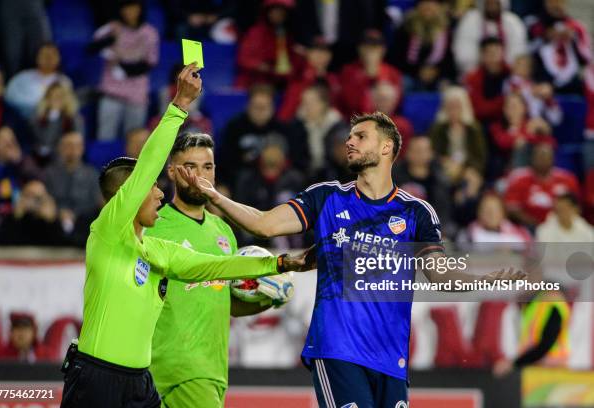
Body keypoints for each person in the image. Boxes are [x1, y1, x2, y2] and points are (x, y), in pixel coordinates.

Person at [183, 111, 522, 407]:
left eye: (361, 136)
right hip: (337, 350)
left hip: (390, 358)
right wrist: (213, 195)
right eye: (349, 137)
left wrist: (486, 281)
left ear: (387, 147)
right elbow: (264, 223)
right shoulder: (327, 197)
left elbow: (438, 274)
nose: (350, 142)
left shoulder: (416, 212)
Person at [59, 63, 312, 408]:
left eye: (207, 166)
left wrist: (282, 263)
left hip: (140, 382)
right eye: (152, 189)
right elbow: (149, 164)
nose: (160, 194)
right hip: (98, 376)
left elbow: (210, 267)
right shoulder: (106, 231)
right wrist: (179, 105)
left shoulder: (155, 249)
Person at [148, 132, 294, 408]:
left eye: (208, 167)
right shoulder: (155, 225)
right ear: (171, 171)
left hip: (212, 368)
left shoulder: (224, 231)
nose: (200, 175)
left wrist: (268, 298)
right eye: (190, 166)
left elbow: (224, 301)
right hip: (181, 366)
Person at [91, 0, 160, 141]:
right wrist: (111, 38)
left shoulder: (149, 33)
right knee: (105, 137)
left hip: (136, 96)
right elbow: (92, 48)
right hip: (112, 94)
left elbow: (148, 64)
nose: (130, 12)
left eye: (134, 8)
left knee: (134, 140)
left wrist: (123, 68)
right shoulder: (112, 28)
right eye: (126, 8)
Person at [218, 84, 309, 188]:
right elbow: (224, 162)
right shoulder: (235, 127)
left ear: (273, 107)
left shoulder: (284, 129)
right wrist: (223, 185)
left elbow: (299, 162)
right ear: (248, 106)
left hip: (279, 185)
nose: (260, 112)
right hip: (244, 184)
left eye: (264, 107)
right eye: (256, 107)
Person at [504, 141, 581, 229]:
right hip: (528, 226)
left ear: (553, 159)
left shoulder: (568, 179)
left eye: (546, 157)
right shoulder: (519, 178)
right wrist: (534, 223)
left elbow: (576, 207)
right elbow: (512, 207)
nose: (543, 160)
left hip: (560, 225)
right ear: (532, 158)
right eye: (540, 157)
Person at [43, 131, 102, 236]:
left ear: (82, 148)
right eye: (68, 145)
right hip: (56, 219)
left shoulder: (92, 174)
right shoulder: (50, 173)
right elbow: (47, 198)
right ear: (60, 148)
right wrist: (60, 211)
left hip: (84, 220)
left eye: (77, 146)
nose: (73, 150)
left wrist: (74, 214)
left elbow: (95, 201)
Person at [235, 0, 303, 89]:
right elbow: (243, 59)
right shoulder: (256, 32)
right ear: (267, 13)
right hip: (253, 83)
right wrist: (261, 66)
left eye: (282, 13)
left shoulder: (287, 35)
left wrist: (299, 57)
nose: (278, 15)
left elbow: (290, 67)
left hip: (278, 83)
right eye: (275, 12)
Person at [391, 0, 455, 90]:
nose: (428, 6)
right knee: (404, 83)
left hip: (437, 75)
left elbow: (448, 60)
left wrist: (436, 72)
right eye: (424, 3)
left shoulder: (445, 30)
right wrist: (418, 72)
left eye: (432, 3)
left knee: (447, 86)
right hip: (410, 74)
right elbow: (397, 58)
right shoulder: (406, 27)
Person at [338, 30, 403, 117]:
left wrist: (376, 76)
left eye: (375, 47)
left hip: (385, 119)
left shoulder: (392, 72)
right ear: (359, 49)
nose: (371, 51)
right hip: (356, 121)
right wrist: (369, 77)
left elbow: (396, 104)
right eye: (367, 47)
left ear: (383, 50)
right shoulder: (348, 71)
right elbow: (351, 105)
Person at [452, 0, 527, 76]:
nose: (492, 7)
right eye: (489, 3)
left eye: (495, 3)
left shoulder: (513, 22)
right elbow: (463, 54)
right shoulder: (470, 20)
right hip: (475, 74)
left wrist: (500, 68)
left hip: (507, 74)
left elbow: (518, 53)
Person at [429, 86, 487, 179]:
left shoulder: (474, 129)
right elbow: (433, 152)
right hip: (445, 166)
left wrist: (464, 168)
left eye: (456, 107)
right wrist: (444, 161)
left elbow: (480, 157)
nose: (453, 111)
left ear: (463, 107)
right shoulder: (438, 128)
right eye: (450, 107)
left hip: (468, 167)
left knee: (472, 178)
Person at [4, 43, 72, 119]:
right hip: (24, 121)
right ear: (37, 57)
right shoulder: (21, 78)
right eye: (45, 54)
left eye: (52, 55)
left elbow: (68, 108)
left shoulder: (64, 82)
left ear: (59, 58)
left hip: (55, 125)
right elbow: (9, 98)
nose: (48, 58)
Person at [0, 179, 67, 246]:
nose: (33, 202)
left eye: (38, 198)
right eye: (28, 196)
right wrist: (17, 216)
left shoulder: (52, 220)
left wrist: (51, 221)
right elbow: (3, 243)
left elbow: (62, 245)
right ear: (22, 197)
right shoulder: (12, 219)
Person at [0, 64, 29, 163]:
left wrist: (16, 155)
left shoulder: (13, 115)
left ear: (2, 86)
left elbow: (26, 145)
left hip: (3, 167)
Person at [31, 82, 84, 165]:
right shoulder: (38, 118)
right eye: (51, 96)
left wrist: (55, 116)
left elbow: (78, 141)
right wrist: (53, 116)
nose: (55, 99)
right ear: (46, 99)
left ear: (66, 98)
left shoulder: (74, 119)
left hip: (64, 157)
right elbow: (42, 141)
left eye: (59, 97)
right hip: (39, 157)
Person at [464, 37, 510, 124]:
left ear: (502, 53)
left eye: (496, 52)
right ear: (482, 55)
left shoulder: (511, 73)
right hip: (484, 123)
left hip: (510, 121)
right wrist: (505, 101)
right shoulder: (472, 78)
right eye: (489, 52)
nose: (493, 56)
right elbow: (479, 109)